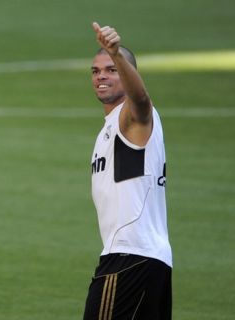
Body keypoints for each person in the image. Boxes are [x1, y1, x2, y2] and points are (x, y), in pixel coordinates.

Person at [83, 22, 172, 319]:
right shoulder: (111, 128)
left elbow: (142, 100)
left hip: (128, 257)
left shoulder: (131, 118)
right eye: (96, 71)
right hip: (147, 259)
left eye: (111, 69)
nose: (101, 77)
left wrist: (117, 53)